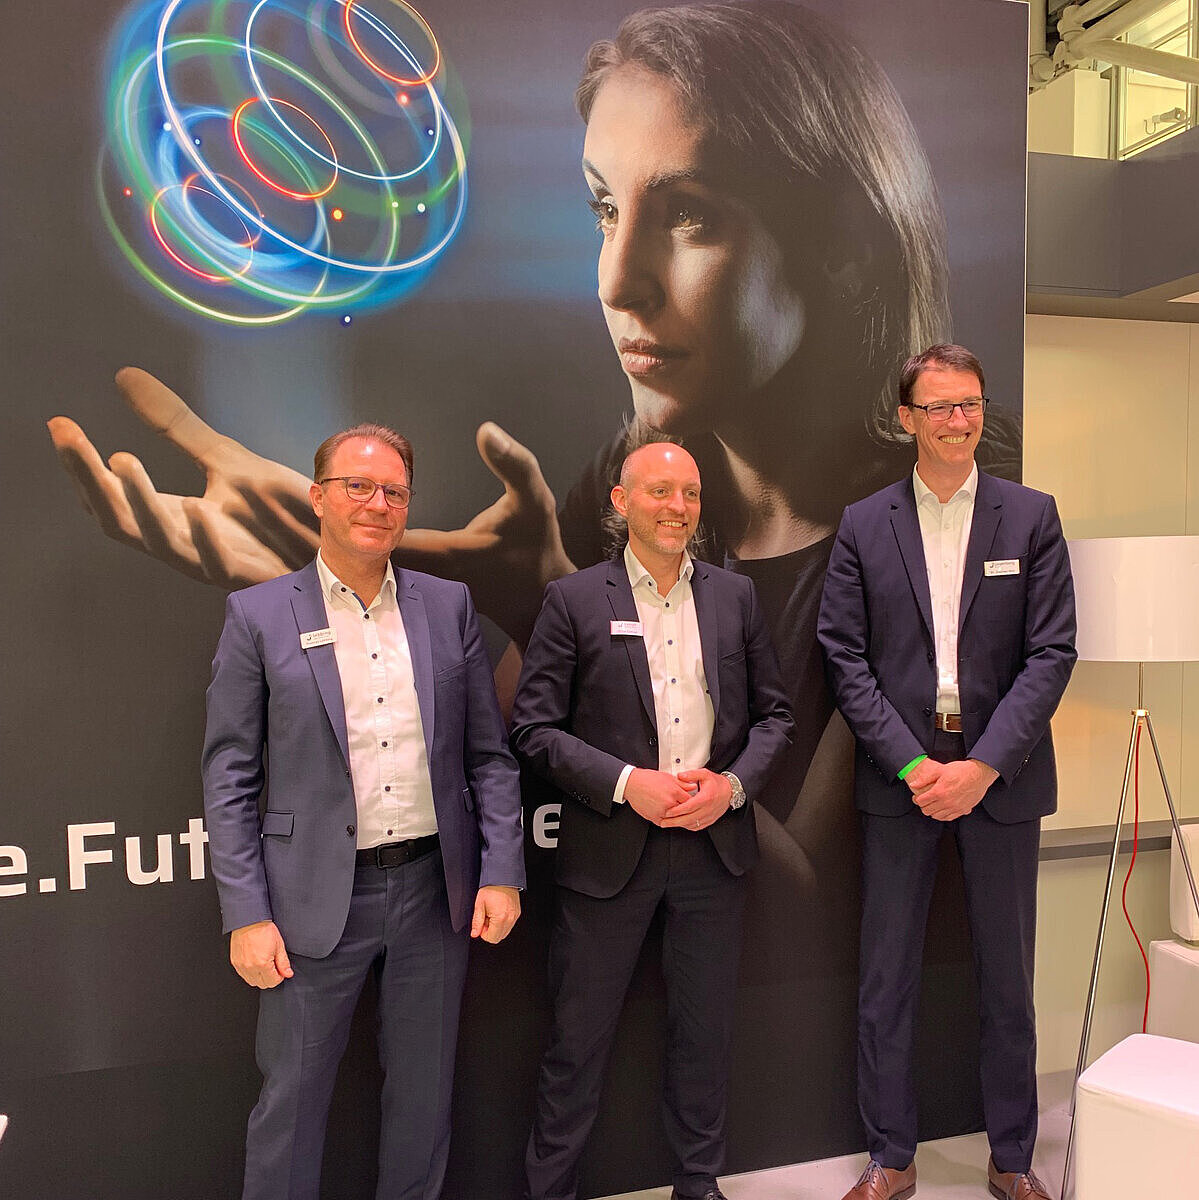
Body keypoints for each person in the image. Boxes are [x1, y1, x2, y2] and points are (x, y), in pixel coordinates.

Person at [48, 0, 1018, 1168]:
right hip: (541, 895)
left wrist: (531, 610)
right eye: (605, 209)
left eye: (690, 215)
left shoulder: (924, 519)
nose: (619, 278)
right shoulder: (604, 490)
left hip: (753, 949)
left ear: (844, 240)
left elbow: (814, 914)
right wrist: (356, 576)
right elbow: (527, 727)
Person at [201, 422, 526, 1200]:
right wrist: (246, 912)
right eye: (358, 486)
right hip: (312, 901)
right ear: (318, 497)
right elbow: (229, 775)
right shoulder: (259, 614)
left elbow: (489, 756)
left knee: (423, 1099)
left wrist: (502, 870)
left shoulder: (447, 606)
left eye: (394, 491)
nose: (377, 504)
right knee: (291, 1105)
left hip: (432, 893)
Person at [817, 345, 1076, 1200]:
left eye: (969, 404)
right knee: (885, 979)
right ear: (907, 419)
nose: (957, 421)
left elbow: (1050, 654)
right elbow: (842, 656)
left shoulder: (1029, 516)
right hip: (902, 777)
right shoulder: (863, 524)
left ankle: (1012, 1159)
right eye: (938, 407)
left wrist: (984, 766)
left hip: (1001, 779)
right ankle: (890, 1157)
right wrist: (913, 764)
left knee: (1007, 981)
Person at [511, 441, 793, 1200]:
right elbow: (533, 729)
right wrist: (626, 783)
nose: (677, 507)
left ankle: (698, 1185)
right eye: (660, 491)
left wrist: (733, 786)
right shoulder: (574, 599)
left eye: (690, 493)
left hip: (712, 853)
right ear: (621, 501)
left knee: (704, 1038)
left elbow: (775, 717)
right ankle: (551, 1189)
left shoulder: (734, 597)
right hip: (609, 854)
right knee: (577, 1042)